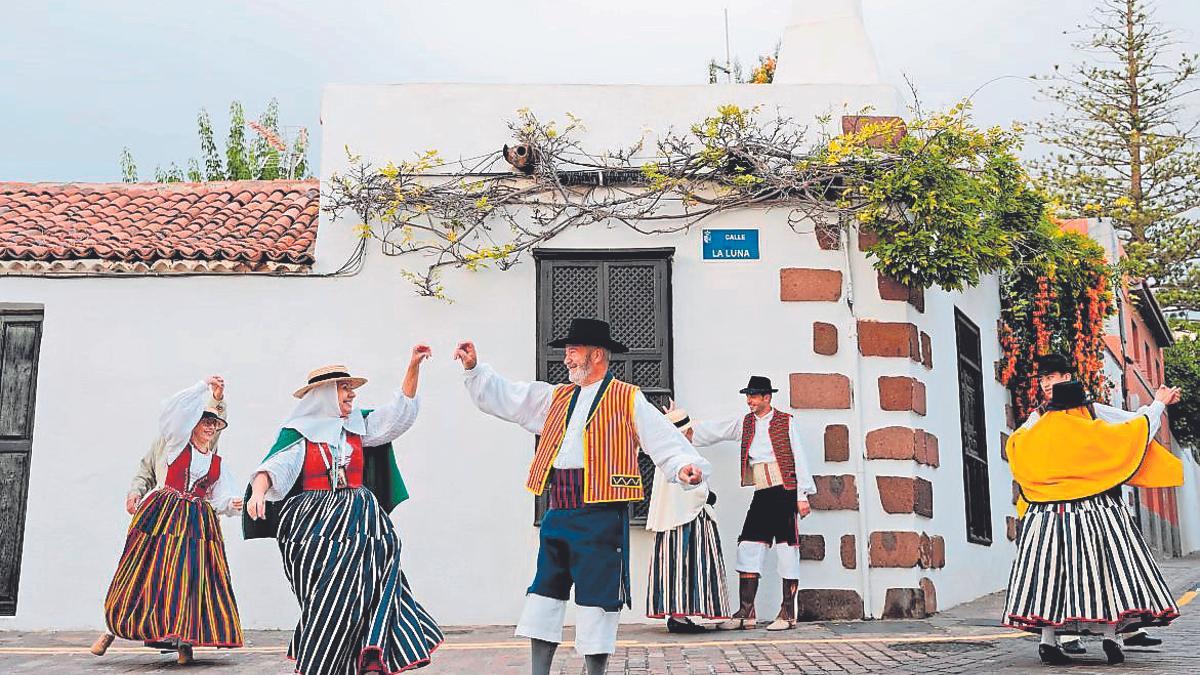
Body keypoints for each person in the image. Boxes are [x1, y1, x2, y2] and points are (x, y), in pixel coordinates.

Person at [456, 318, 710, 675]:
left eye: (573, 351)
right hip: (558, 511)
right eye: (567, 352)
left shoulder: (627, 398)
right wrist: (474, 369)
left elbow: (663, 440)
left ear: (597, 354)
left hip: (601, 515)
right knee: (544, 594)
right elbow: (510, 398)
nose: (566, 359)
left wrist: (685, 467)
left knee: (597, 602)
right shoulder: (555, 397)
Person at [245, 348, 443, 674]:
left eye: (351, 388)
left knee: (374, 582)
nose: (352, 394)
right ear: (325, 394)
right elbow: (275, 467)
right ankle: (326, 661)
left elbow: (397, 416)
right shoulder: (299, 432)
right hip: (315, 524)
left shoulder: (358, 425)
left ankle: (371, 650)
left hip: (361, 519)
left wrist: (412, 367)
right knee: (328, 598)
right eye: (345, 388)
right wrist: (258, 492)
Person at [1003, 378, 1183, 666]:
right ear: (1084, 403)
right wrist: (1159, 402)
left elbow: (1014, 446)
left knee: (1051, 578)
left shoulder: (1033, 432)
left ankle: (1047, 641)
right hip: (1097, 511)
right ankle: (1111, 638)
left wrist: (1036, 416)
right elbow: (1138, 429)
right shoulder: (1096, 429)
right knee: (1105, 573)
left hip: (1048, 515)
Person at [90, 376, 243, 665]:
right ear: (190, 423)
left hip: (196, 525)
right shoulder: (172, 443)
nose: (211, 428)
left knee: (190, 578)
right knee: (142, 574)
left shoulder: (214, 459)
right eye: (204, 422)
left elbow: (219, 493)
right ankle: (112, 628)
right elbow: (146, 468)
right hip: (161, 520)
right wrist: (135, 492)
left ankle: (185, 641)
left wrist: (218, 398)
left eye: (214, 423)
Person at [690, 376, 816, 631]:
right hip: (762, 492)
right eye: (748, 395)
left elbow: (798, 456)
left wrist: (802, 495)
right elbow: (716, 430)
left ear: (767, 398)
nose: (749, 400)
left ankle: (788, 612)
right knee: (748, 545)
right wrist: (683, 430)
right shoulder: (745, 423)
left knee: (786, 548)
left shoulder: (785, 421)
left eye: (754, 396)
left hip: (785, 491)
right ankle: (746, 612)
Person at [645, 403, 731, 633]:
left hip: (673, 520)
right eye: (689, 431)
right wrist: (708, 496)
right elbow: (691, 491)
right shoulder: (681, 458)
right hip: (687, 522)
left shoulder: (669, 458)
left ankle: (678, 614)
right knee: (685, 564)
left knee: (675, 565)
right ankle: (679, 616)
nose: (693, 435)